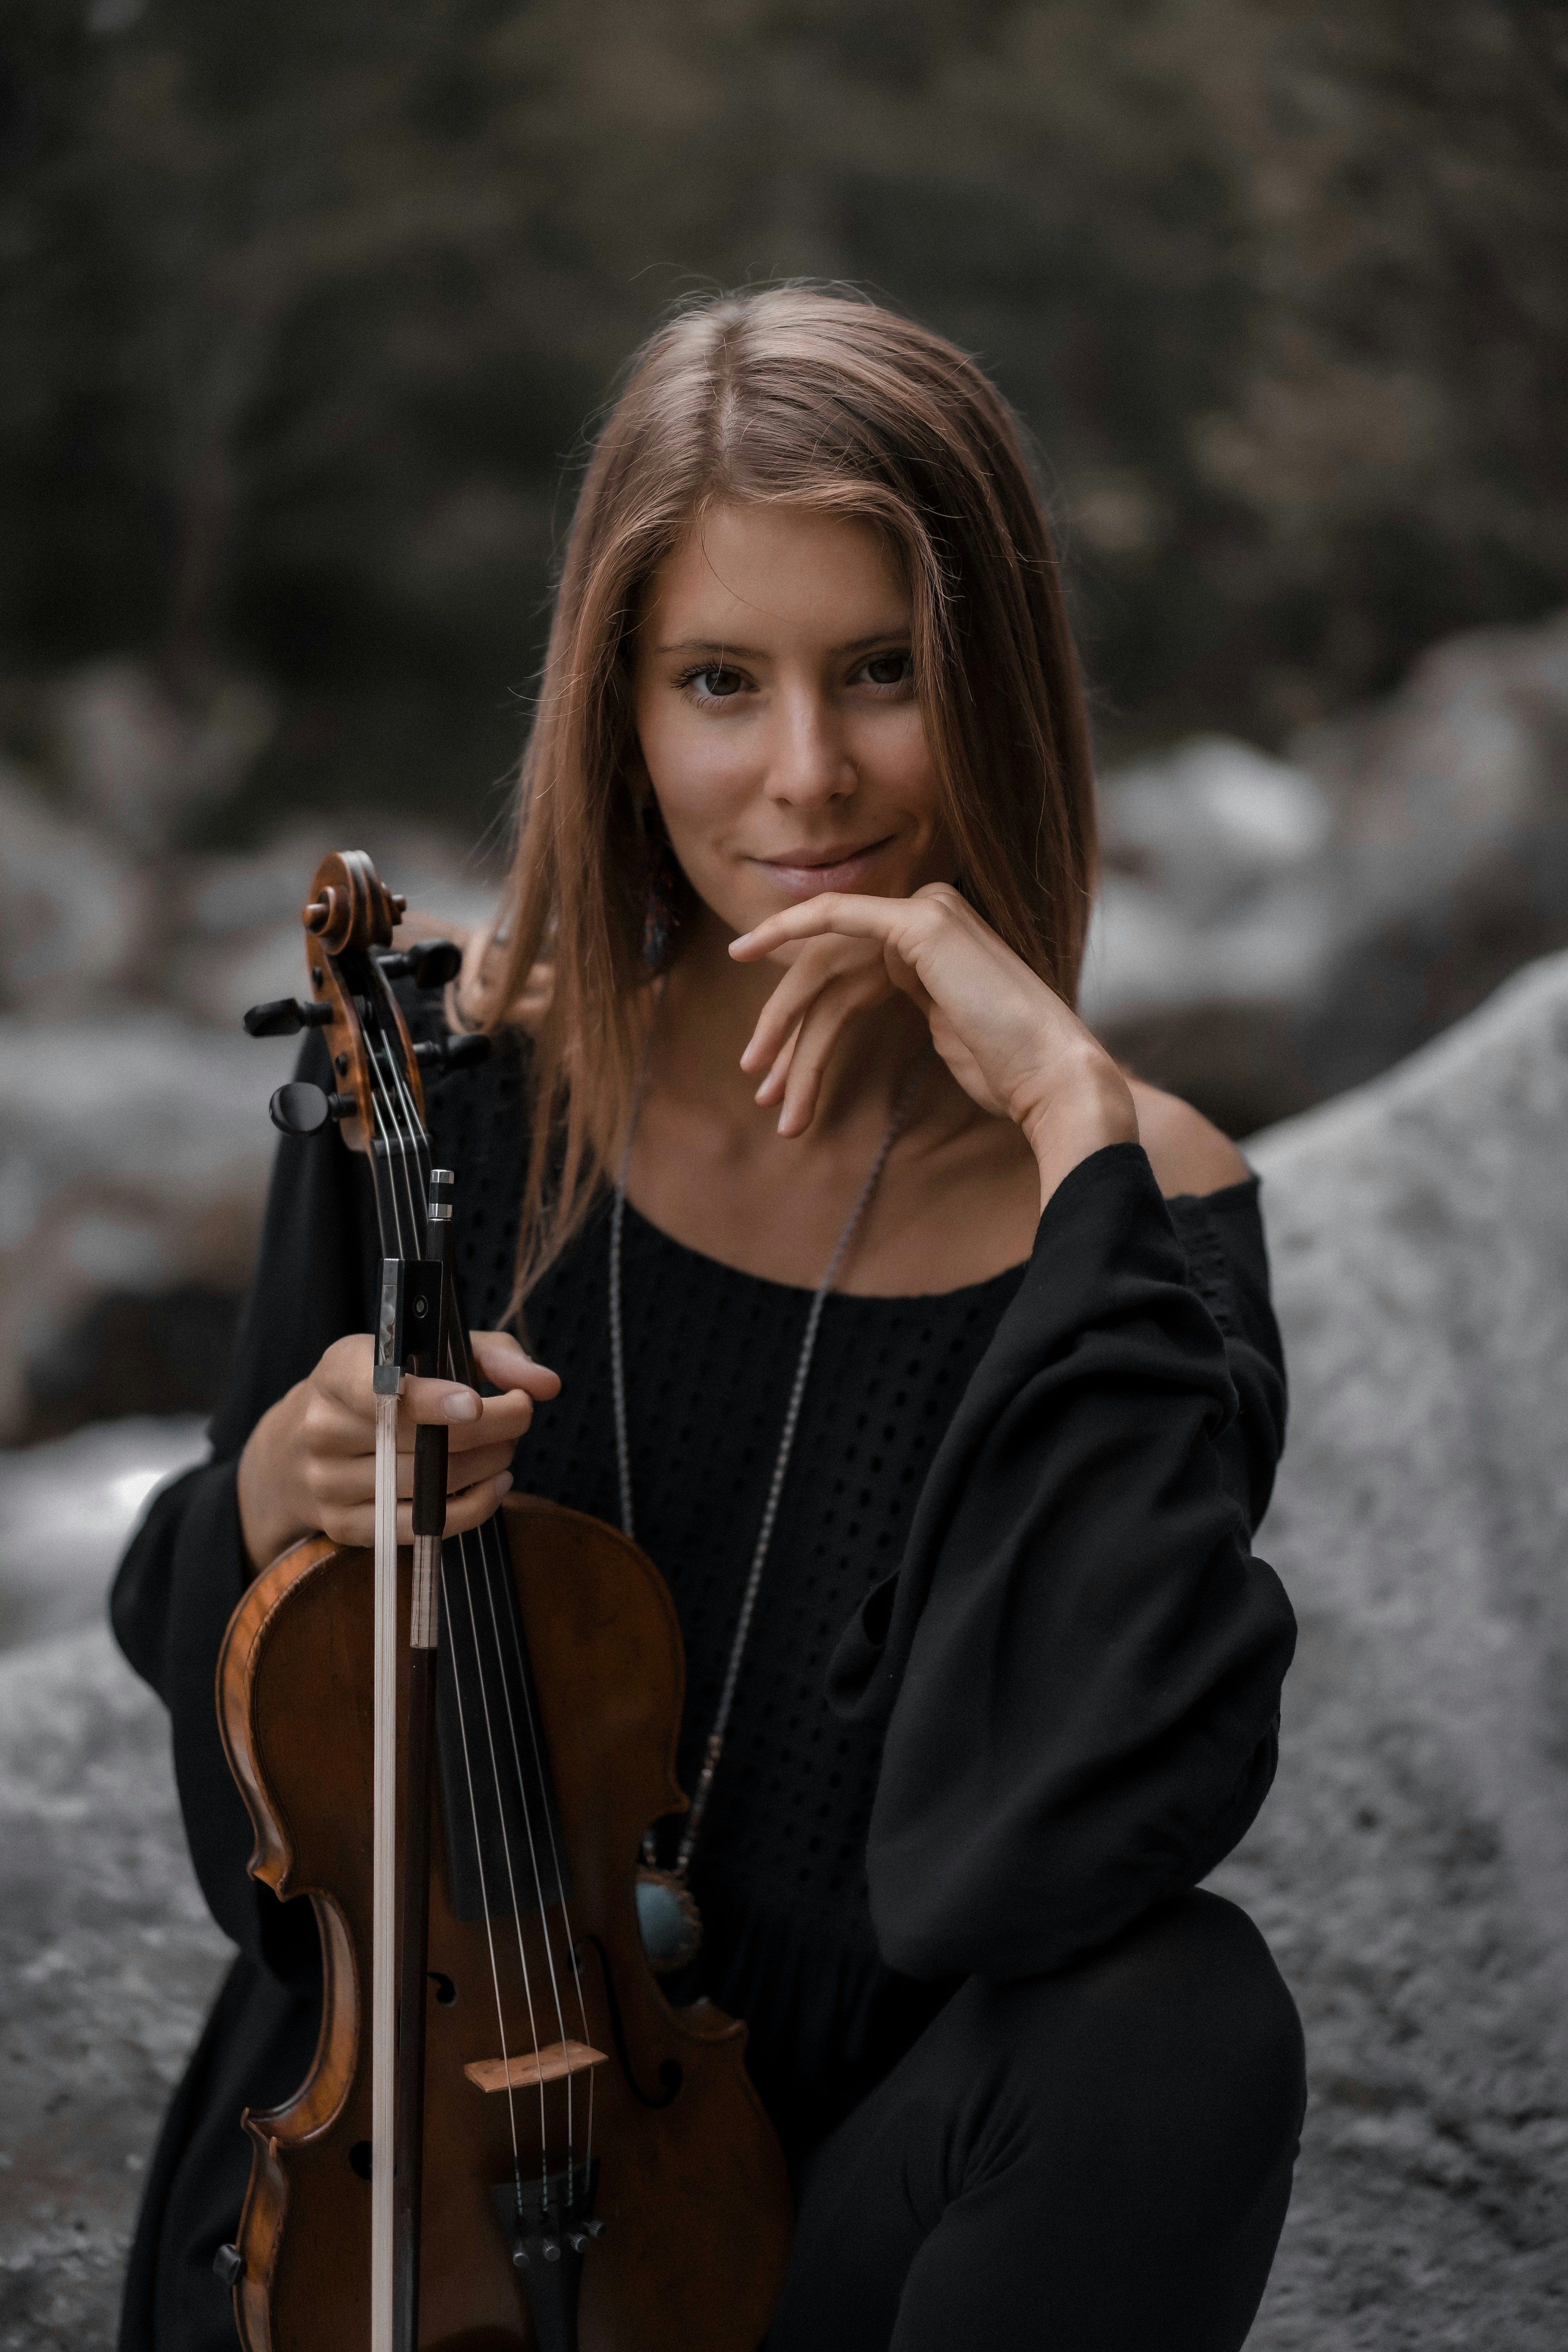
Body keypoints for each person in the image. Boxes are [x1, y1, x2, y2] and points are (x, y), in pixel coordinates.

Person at [113, 286, 1305, 2352]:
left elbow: (1053, 1857)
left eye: (882, 674)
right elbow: (247, 1793)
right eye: (721, 682)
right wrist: (278, 1497)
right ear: (623, 708)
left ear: (997, 684)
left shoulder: (1136, 1216)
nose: (807, 775)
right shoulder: (451, 1095)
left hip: (829, 2207)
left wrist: (1072, 1124)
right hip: (421, 2191)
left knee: (1184, 2015)